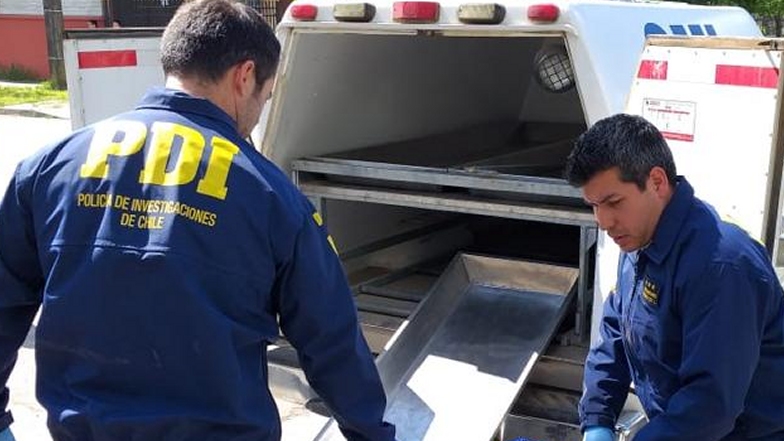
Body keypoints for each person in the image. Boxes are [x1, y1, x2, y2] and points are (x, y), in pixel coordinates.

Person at [0, 1, 396, 440]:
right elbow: (331, 342)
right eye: (265, 96)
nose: (259, 111)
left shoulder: (47, 169)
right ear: (245, 76)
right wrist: (371, 434)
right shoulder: (273, 198)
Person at [565, 113, 784, 441]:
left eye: (613, 202)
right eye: (593, 206)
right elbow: (616, 328)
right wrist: (597, 419)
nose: (603, 221)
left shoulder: (721, 265)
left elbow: (711, 403)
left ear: (657, 181)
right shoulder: (639, 239)